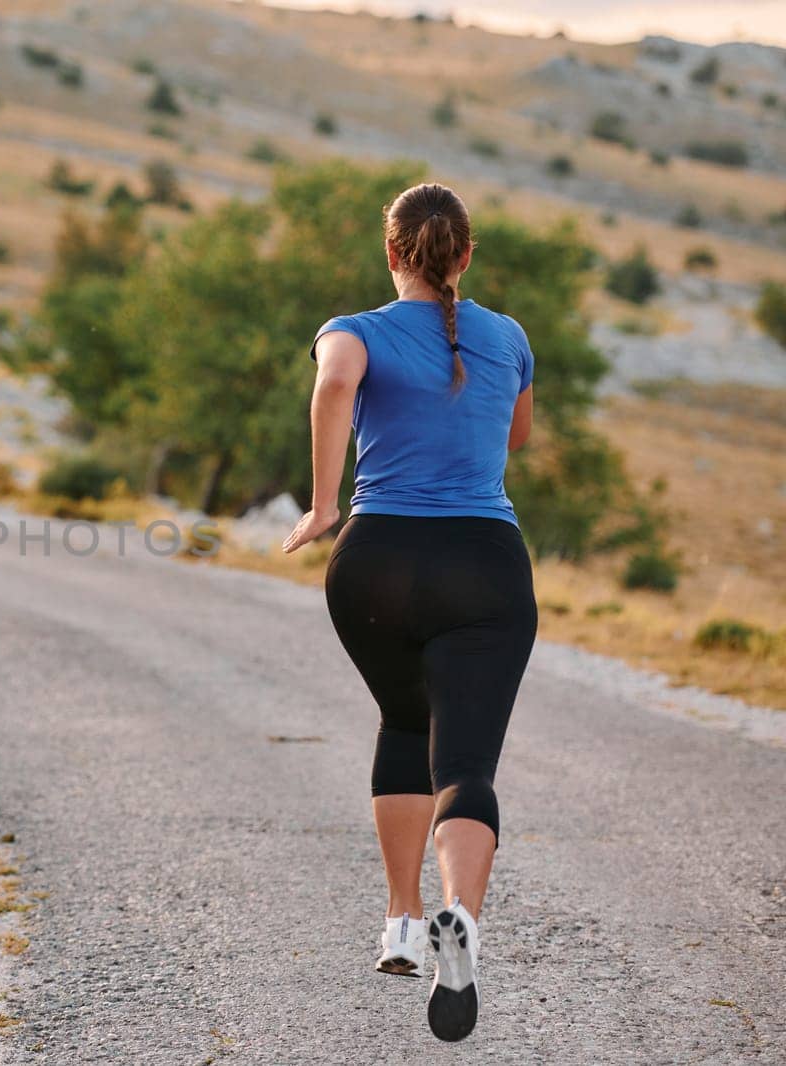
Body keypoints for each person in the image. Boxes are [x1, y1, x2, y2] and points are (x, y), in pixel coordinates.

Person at [281, 182, 538, 1043]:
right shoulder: (508, 339)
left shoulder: (352, 331)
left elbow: (334, 389)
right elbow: (516, 437)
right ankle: (459, 916)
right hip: (484, 566)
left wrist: (323, 507)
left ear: (393, 254)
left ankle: (400, 919)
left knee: (402, 720)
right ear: (465, 257)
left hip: (376, 561)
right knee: (464, 760)